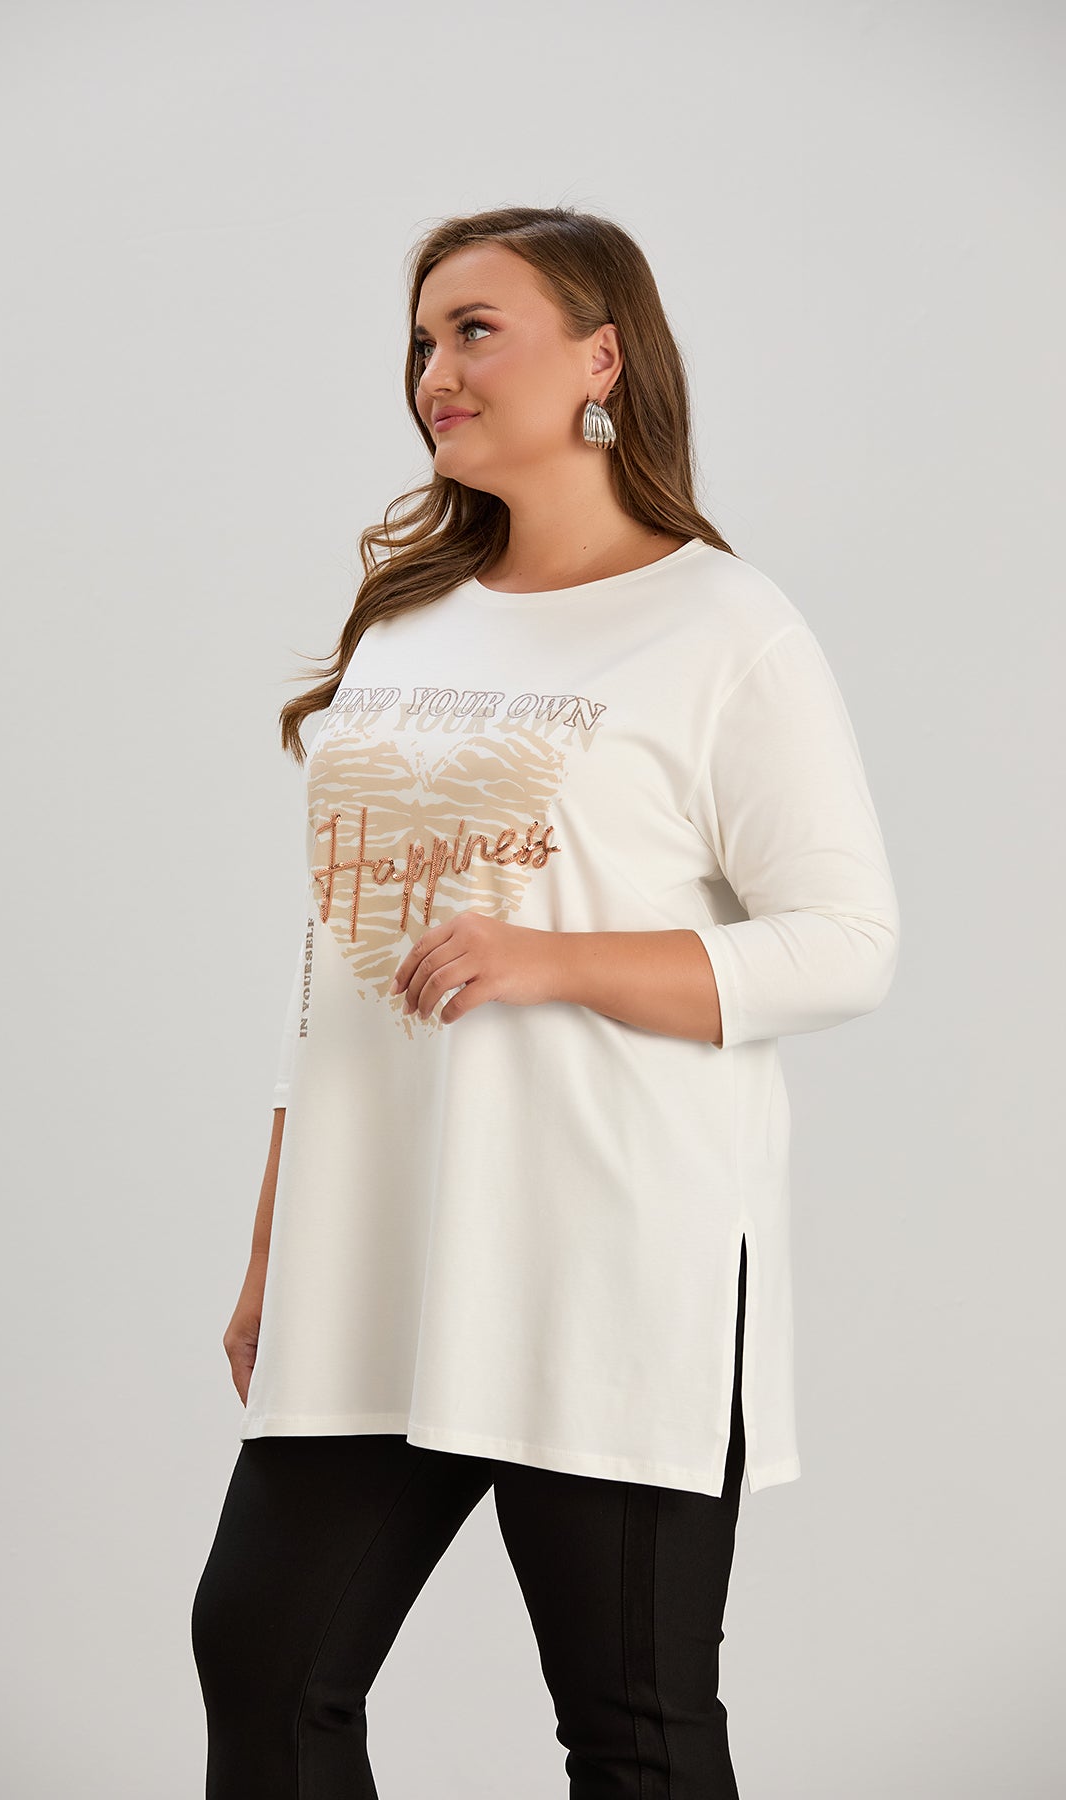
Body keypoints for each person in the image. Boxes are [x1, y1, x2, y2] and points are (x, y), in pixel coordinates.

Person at [191, 204, 901, 1798]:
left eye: (475, 331)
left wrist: (553, 959)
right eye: (420, 340)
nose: (433, 372)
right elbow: (336, 969)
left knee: (631, 1726)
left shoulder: (725, 627)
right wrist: (276, 1243)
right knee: (265, 1663)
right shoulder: (407, 621)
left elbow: (848, 941)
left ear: (602, 357)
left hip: (611, 1253)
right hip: (380, 1249)